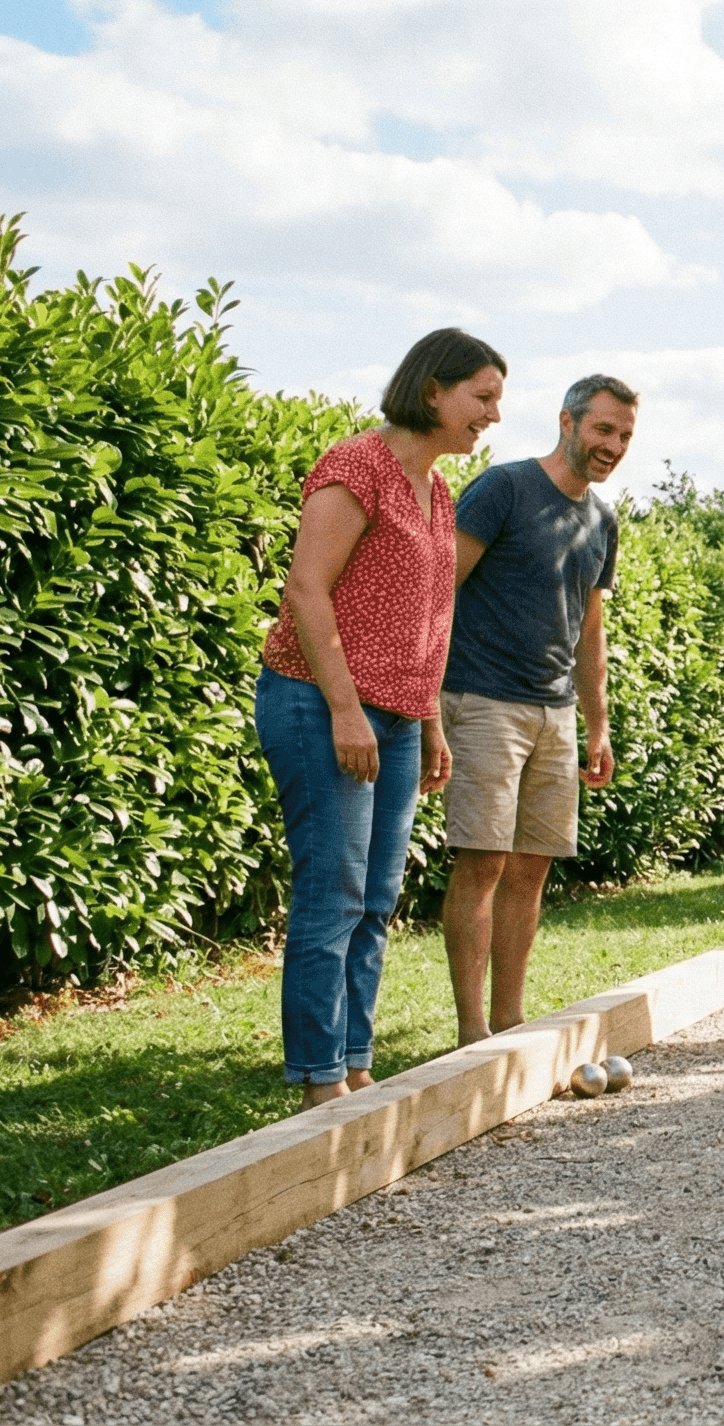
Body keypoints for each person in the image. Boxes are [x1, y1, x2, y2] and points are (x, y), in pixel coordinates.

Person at [255, 328, 504, 1109]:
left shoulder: (435, 492)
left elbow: (426, 617)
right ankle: (320, 1081)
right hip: (319, 702)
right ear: (434, 390)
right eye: (483, 397)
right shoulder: (355, 466)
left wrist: (428, 721)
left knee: (376, 894)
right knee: (332, 891)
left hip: (398, 717)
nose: (493, 415)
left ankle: (356, 1062)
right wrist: (343, 710)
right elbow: (305, 591)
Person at [435, 374, 637, 1045]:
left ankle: (508, 1019)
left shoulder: (601, 519)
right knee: (483, 861)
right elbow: (440, 589)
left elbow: (589, 627)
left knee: (530, 868)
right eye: (604, 429)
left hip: (554, 713)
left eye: (625, 435)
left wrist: (599, 723)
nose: (613, 445)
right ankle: (471, 1032)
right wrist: (426, 698)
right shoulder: (504, 489)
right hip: (482, 698)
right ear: (569, 421)